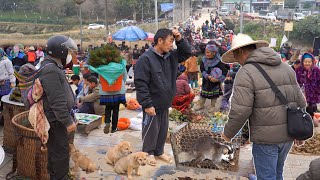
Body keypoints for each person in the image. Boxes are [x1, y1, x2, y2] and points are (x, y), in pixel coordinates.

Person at [220, 34, 306, 180]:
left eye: (235, 55)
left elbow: (241, 110)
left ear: (241, 52)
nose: (237, 61)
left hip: (266, 139)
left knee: (267, 177)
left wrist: (228, 133)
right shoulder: (286, 67)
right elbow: (300, 100)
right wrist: (300, 131)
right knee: (278, 173)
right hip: (288, 135)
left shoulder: (246, 72)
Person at [134, 28, 192, 166]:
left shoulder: (171, 55)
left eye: (173, 42)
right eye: (170, 41)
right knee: (151, 129)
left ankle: (159, 151)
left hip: (165, 101)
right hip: (152, 102)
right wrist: (146, 104)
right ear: (160, 41)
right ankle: (148, 153)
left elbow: (187, 53)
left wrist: (179, 39)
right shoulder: (146, 59)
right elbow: (141, 83)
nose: (172, 45)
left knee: (162, 129)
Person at [38, 35, 77, 179]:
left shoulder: (53, 67)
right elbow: (56, 100)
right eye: (67, 51)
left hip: (56, 119)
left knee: (56, 153)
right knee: (60, 155)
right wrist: (67, 121)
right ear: (60, 52)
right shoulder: (50, 70)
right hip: (56, 120)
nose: (69, 54)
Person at [193, 44, 228, 112]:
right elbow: (202, 69)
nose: (206, 54)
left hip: (215, 82)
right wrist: (207, 76)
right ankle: (201, 104)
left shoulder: (219, 61)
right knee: (203, 93)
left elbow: (224, 71)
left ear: (214, 53)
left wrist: (218, 79)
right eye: (206, 52)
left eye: (208, 52)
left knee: (214, 94)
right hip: (206, 80)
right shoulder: (204, 60)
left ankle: (212, 106)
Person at [295, 53, 320, 126]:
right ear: (302, 62)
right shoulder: (299, 70)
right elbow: (296, 81)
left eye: (309, 62)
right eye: (305, 62)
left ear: (312, 62)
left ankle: (312, 122)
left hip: (313, 93)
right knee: (302, 107)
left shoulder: (316, 70)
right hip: (302, 93)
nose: (307, 63)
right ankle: (303, 122)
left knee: (312, 108)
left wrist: (318, 90)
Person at [0, 48, 15, 125]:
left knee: (4, 101)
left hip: (4, 83)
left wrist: (12, 82)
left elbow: (11, 72)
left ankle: (4, 119)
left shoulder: (7, 61)